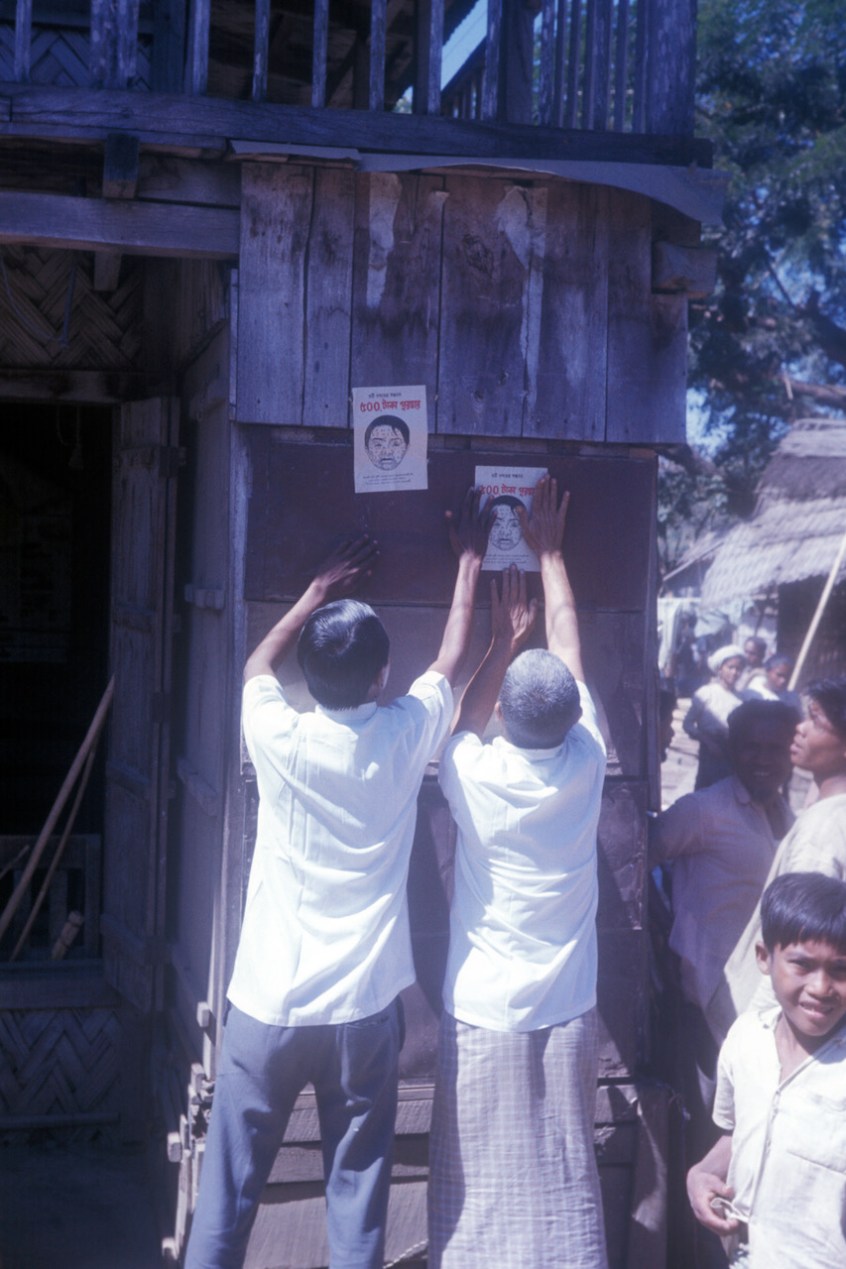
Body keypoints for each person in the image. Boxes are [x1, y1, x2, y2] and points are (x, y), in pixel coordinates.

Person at [184, 490, 488, 1269]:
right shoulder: (401, 732)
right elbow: (450, 662)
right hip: (362, 1014)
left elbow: (257, 663)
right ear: (383, 675)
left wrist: (319, 588)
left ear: (308, 678)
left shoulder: (277, 733)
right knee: (358, 1190)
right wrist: (468, 561)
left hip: (268, 1007)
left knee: (226, 1194)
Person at [427, 475, 609, 1269]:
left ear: (505, 713)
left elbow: (460, 718)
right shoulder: (590, 761)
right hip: (568, 1002)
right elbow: (570, 651)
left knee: (477, 1176)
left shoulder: (478, 773)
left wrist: (503, 640)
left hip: (484, 1006)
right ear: (572, 716)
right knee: (566, 1164)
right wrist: (553, 552)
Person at [687, 871, 846, 1268]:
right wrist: (702, 1172)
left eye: (841, 969)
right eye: (802, 965)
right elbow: (737, 1131)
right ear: (764, 958)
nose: (822, 986)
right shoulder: (746, 1040)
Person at [720, 676, 846, 1024]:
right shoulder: (830, 810)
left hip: (770, 1015)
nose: (800, 729)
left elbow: (800, 942)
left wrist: (761, 1027)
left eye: (816, 720)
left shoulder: (824, 826)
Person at [683, 645, 746, 789]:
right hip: (709, 749)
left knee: (724, 790)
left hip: (730, 750)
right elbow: (688, 724)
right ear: (720, 669)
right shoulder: (707, 693)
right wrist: (707, 741)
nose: (734, 672)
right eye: (730, 667)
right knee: (705, 788)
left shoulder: (740, 699)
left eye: (738, 669)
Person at [743, 652, 802, 719]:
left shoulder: (792, 698)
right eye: (779, 675)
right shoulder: (752, 694)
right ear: (767, 671)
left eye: (787, 677)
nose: (783, 680)